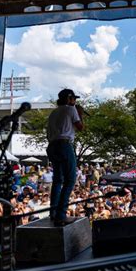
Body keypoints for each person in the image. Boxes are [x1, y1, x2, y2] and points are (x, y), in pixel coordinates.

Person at [46, 89, 84, 227]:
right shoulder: (71, 109)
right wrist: (79, 113)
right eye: (74, 98)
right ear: (69, 99)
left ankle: (53, 213)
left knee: (57, 180)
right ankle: (61, 216)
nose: (75, 101)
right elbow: (81, 127)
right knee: (70, 180)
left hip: (52, 146)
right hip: (64, 145)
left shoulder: (53, 112)